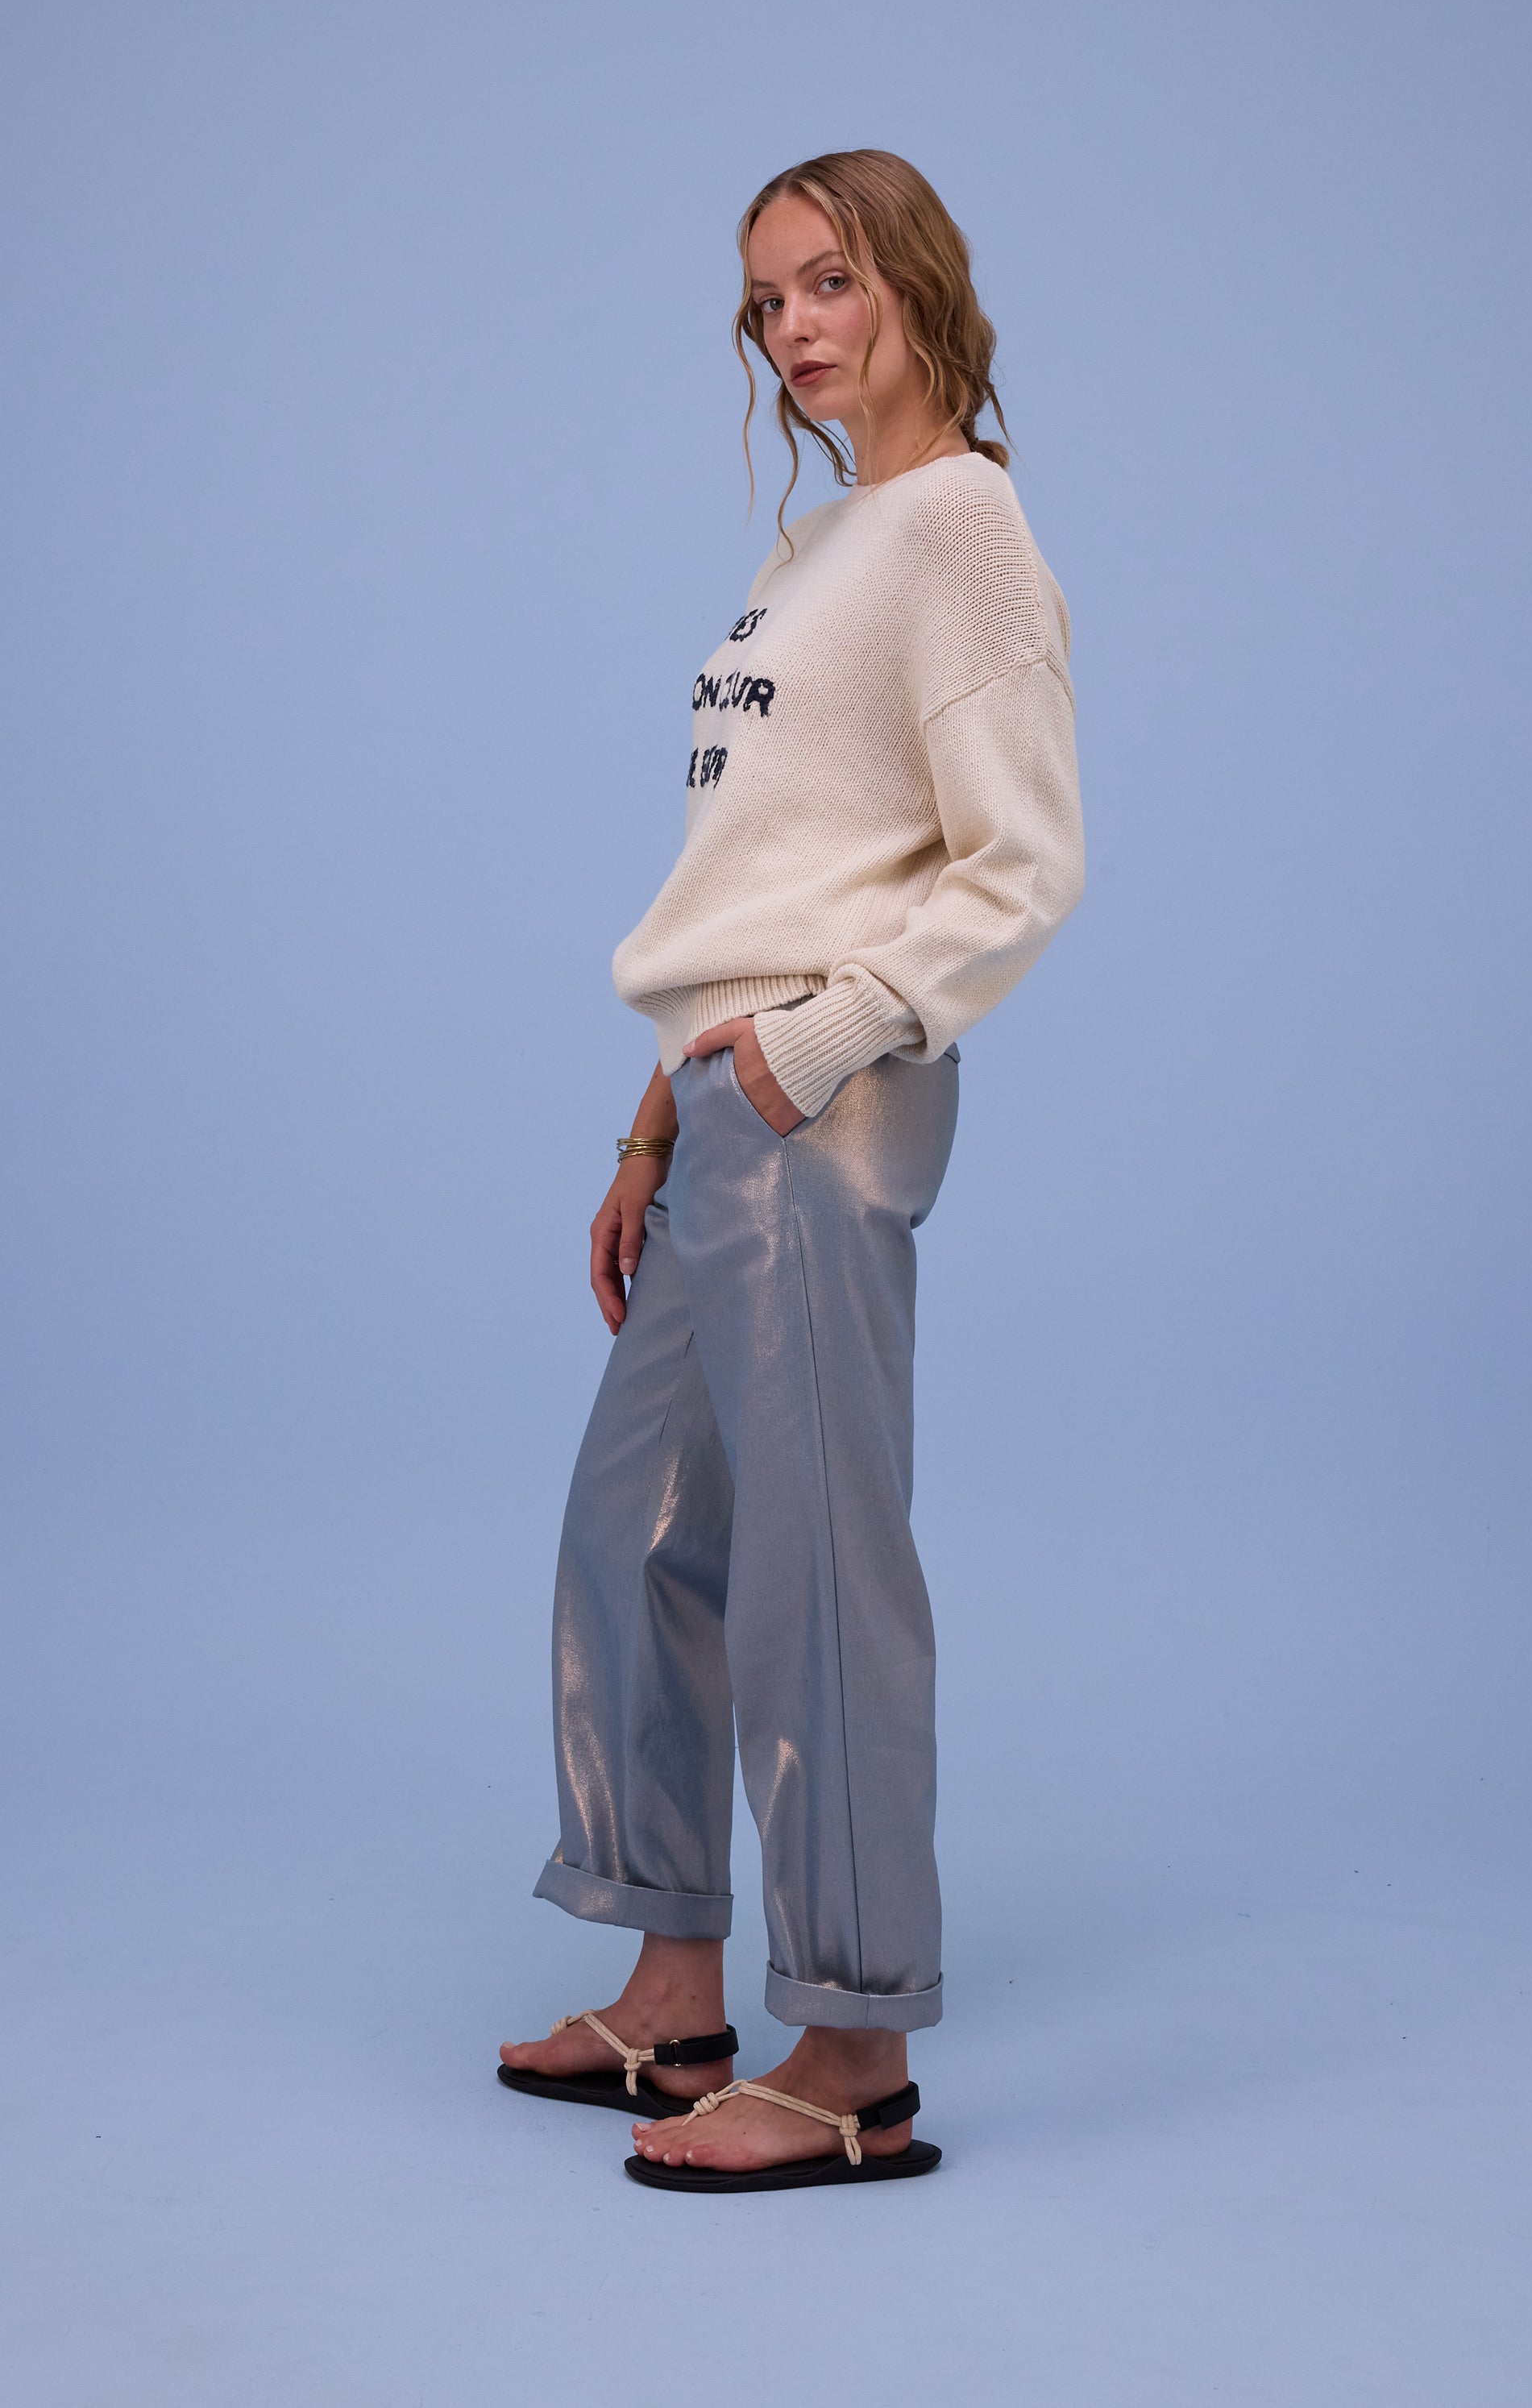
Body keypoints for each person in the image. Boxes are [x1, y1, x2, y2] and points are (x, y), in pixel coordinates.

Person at [496, 147, 1084, 2193]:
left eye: (828, 280)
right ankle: (674, 1998)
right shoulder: (818, 547)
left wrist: (810, 1048)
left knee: (813, 1576)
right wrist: (655, 1114)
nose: (794, 327)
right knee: (639, 1534)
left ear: (912, 278)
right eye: (766, 300)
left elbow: (1020, 867)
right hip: (722, 1100)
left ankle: (853, 2056)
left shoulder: (962, 528)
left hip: (828, 1105)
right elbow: (757, 881)